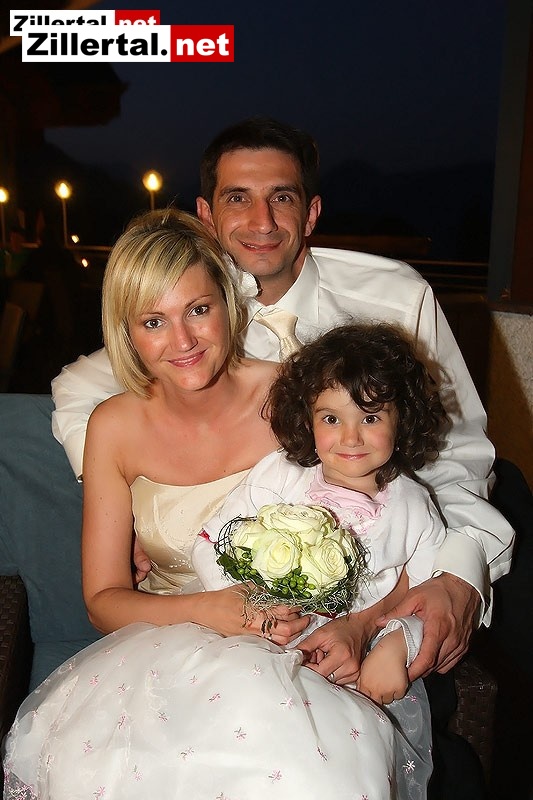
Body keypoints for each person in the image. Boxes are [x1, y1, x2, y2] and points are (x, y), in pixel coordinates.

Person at [50, 116, 513, 684]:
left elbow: (457, 458)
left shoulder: (396, 300)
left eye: (282, 197)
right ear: (207, 215)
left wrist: (458, 577)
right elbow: (80, 387)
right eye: (237, 198)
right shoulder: (191, 312)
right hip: (210, 625)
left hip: (386, 579)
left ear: (311, 212)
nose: (261, 221)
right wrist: (131, 511)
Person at [3, 208, 419, 800]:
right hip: (162, 648)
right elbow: (102, 600)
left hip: (303, 646)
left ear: (227, 302)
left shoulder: (294, 394)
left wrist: (360, 626)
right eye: (154, 321)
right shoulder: (112, 427)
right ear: (126, 331)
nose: (183, 342)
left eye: (198, 309)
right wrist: (211, 611)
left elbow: (395, 525)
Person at [193, 321, 449, 709]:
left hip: (345, 675)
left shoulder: (415, 509)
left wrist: (396, 644)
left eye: (370, 417)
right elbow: (209, 543)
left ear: (404, 419)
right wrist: (248, 607)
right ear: (307, 418)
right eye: (331, 419)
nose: (351, 437)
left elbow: (423, 600)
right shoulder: (280, 474)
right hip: (249, 646)